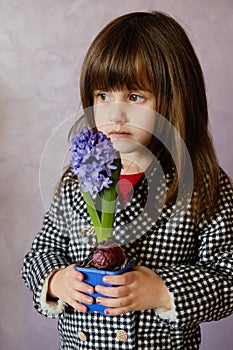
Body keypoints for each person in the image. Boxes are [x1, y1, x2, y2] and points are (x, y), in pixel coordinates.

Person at [21, 11, 233, 349]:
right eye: (103, 96)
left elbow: (228, 275)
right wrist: (57, 281)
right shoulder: (79, 180)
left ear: (173, 98)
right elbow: (40, 253)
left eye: (135, 97)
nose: (114, 114)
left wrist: (164, 290)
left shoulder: (204, 186)